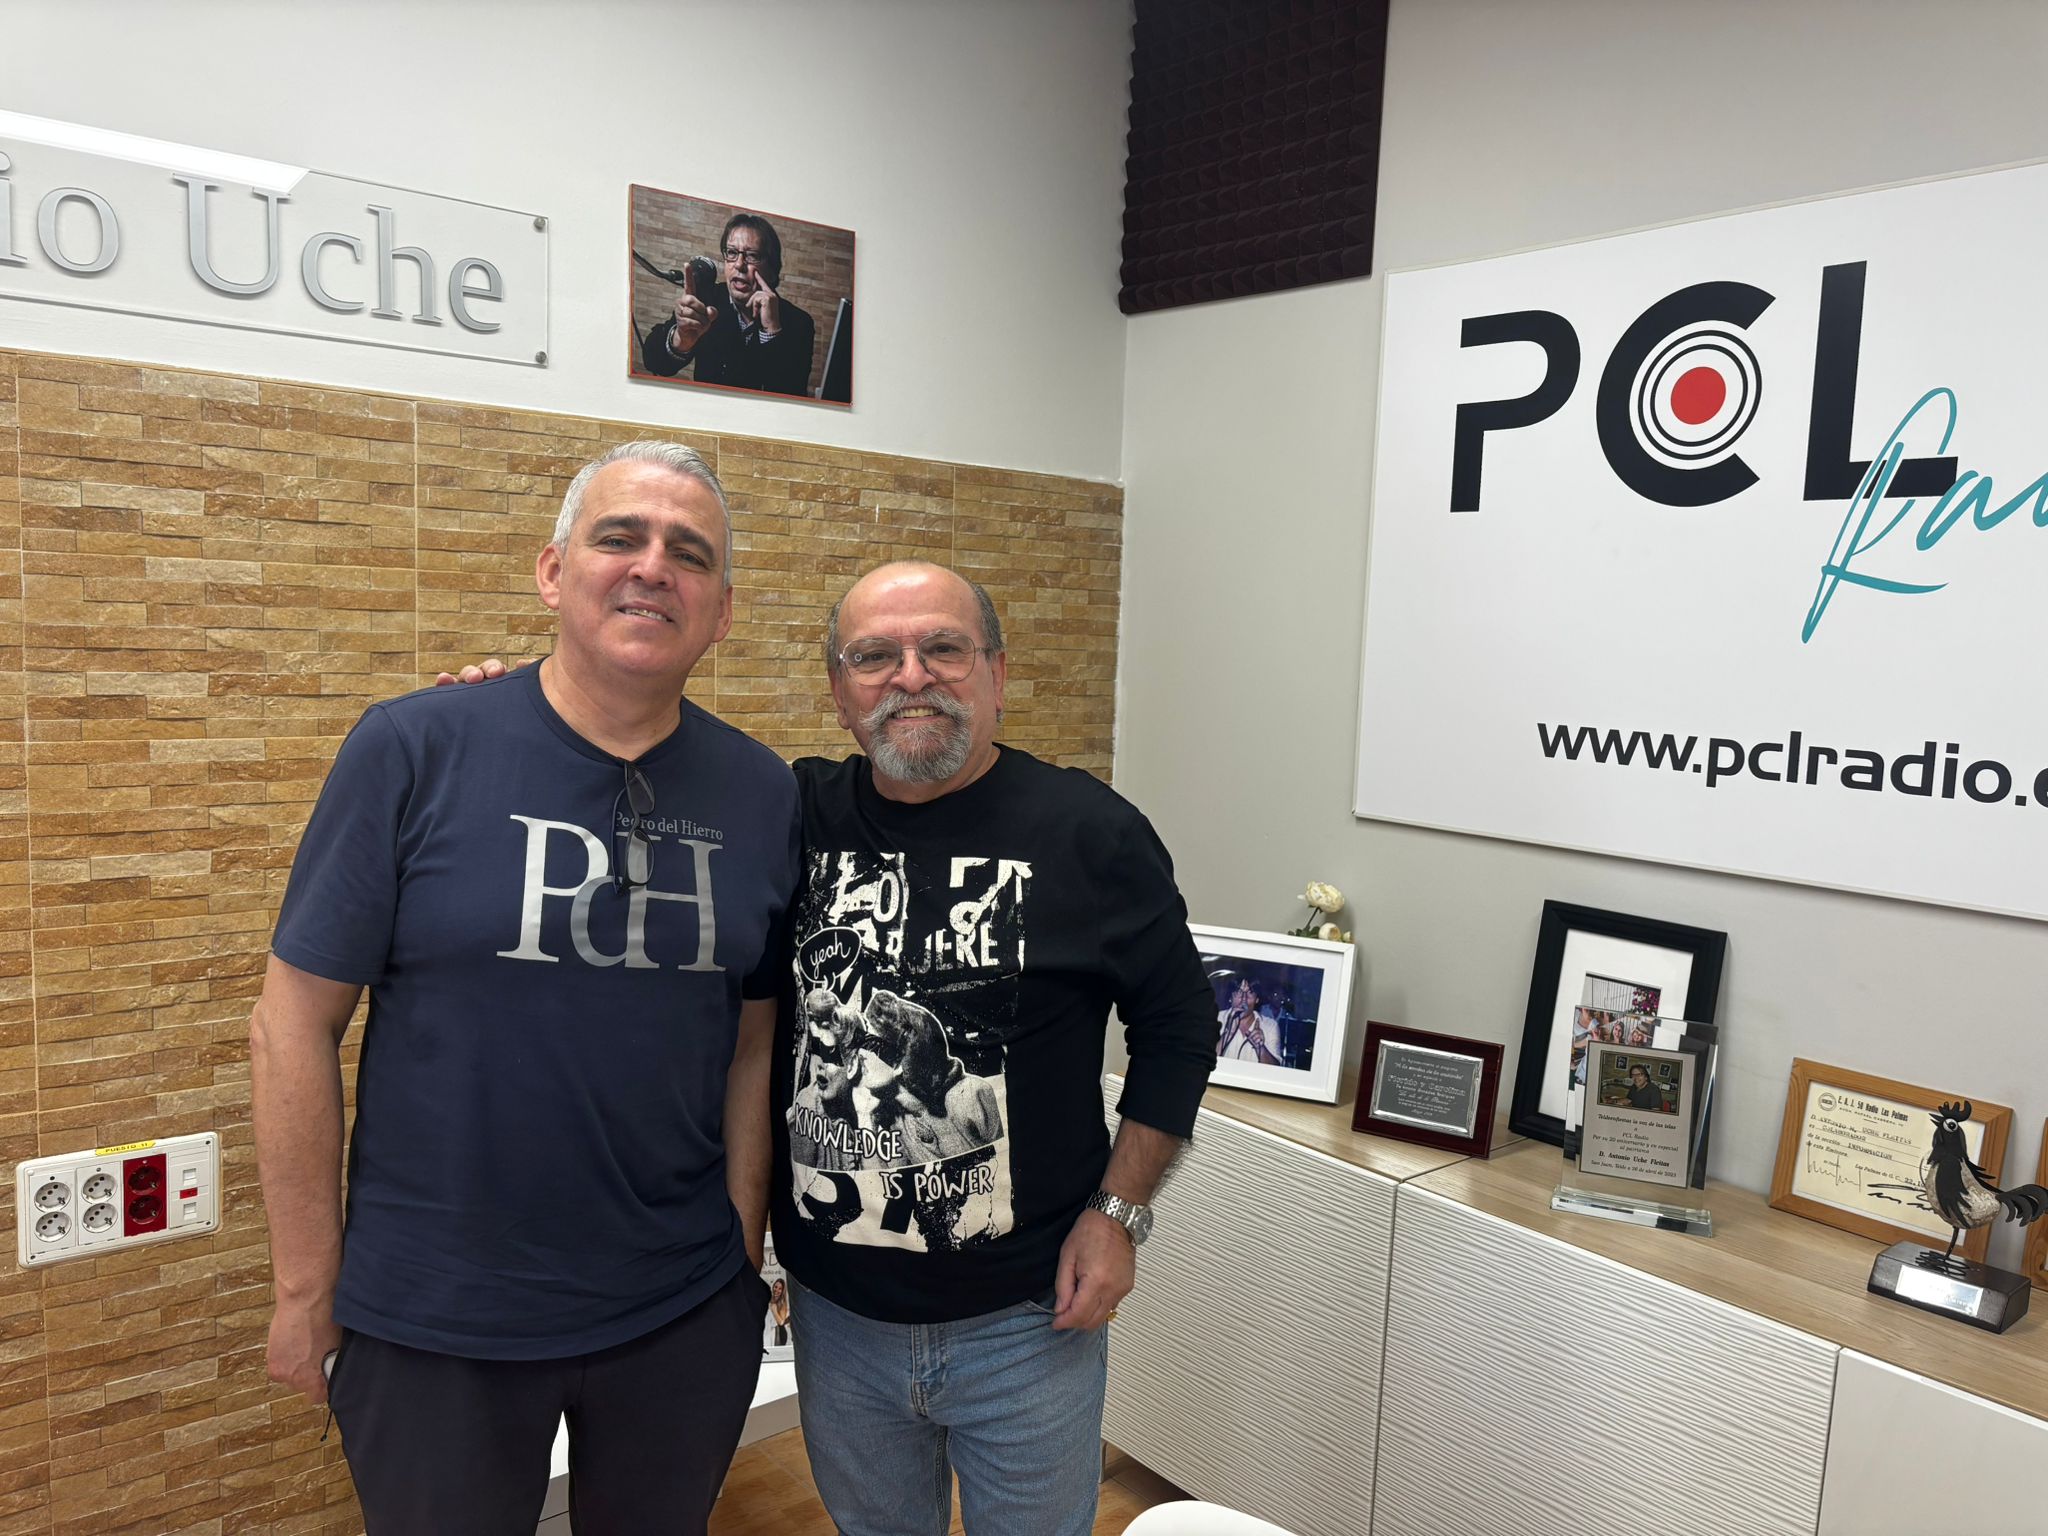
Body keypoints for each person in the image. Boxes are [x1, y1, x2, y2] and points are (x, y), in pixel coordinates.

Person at [250, 441, 801, 1536]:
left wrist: (740, 1253)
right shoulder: (413, 747)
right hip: (436, 1319)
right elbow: (291, 1026)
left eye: (689, 553)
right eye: (619, 537)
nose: (652, 566)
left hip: (679, 1311)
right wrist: (306, 1287)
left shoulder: (762, 791)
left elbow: (750, 1038)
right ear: (553, 572)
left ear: (722, 612)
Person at [775, 559, 1216, 1536]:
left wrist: (1118, 1214)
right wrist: (508, 708)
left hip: (1026, 1321)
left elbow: (1180, 1028)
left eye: (943, 648)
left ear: (997, 673)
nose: (911, 677)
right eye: (874, 656)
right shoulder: (790, 815)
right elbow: (636, 768)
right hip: (837, 1318)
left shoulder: (1089, 833)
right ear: (840, 690)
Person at [639, 211, 817, 397]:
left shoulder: (799, 322)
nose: (739, 264)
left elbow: (791, 398)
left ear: (772, 270)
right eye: (732, 253)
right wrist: (680, 340)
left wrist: (771, 333)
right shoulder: (707, 300)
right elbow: (654, 362)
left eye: (752, 255)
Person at [1216, 977, 1283, 1065]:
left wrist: (1260, 1048)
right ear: (1230, 997)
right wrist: (1228, 1033)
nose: (1244, 999)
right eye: (1239, 992)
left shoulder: (1270, 1026)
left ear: (1257, 999)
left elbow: (1275, 1069)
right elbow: (1204, 1060)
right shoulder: (1216, 1018)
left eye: (1250, 993)